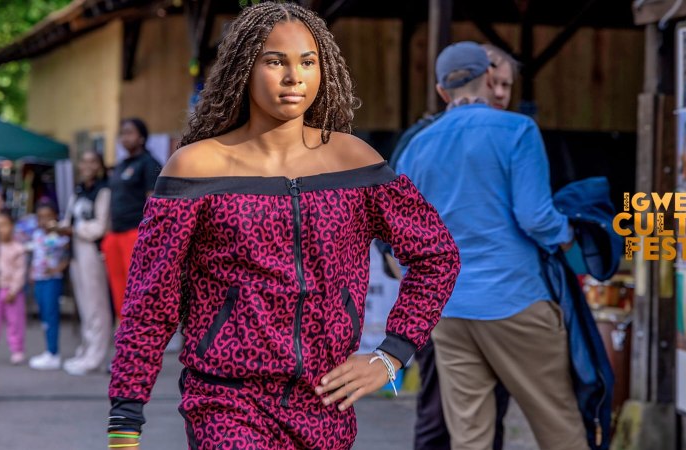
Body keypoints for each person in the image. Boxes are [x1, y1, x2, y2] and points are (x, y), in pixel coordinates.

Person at [107, 3, 460, 449]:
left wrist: (391, 355)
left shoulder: (354, 161)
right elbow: (150, 299)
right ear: (243, 69)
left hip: (327, 402)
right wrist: (124, 421)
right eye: (275, 61)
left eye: (307, 62)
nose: (295, 76)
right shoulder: (198, 167)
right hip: (226, 401)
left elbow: (436, 256)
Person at [396, 42, 587, 450]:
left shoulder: (416, 147)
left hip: (447, 310)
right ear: (487, 75)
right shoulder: (517, 130)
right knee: (559, 425)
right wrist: (568, 235)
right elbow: (535, 216)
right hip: (514, 300)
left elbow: (403, 242)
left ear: (443, 91)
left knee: (470, 436)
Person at [405, 44, 518, 450]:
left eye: (507, 84)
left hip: (499, 302)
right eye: (495, 82)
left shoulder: (515, 138)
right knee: (437, 417)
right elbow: (395, 220)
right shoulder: (423, 141)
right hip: (443, 304)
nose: (501, 92)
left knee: (492, 415)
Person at [58, 150, 113, 375]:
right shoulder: (79, 190)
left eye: (93, 161)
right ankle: (86, 348)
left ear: (99, 165)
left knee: (96, 303)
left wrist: (75, 229)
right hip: (75, 250)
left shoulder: (103, 190)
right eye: (84, 161)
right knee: (83, 302)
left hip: (92, 250)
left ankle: (96, 354)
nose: (87, 165)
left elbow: (101, 226)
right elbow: (69, 218)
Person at [103, 118, 161, 320]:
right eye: (122, 133)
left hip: (135, 234)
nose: (124, 137)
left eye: (129, 132)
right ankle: (124, 331)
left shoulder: (149, 163)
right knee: (118, 287)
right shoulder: (120, 166)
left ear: (142, 137)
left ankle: (141, 332)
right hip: (115, 234)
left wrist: (148, 237)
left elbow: (154, 203)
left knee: (137, 287)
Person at [27, 199, 70, 371]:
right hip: (38, 279)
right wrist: (31, 272)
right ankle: (48, 351)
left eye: (48, 217)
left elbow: (68, 254)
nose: (44, 221)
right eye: (40, 217)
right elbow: (35, 255)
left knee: (51, 316)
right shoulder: (37, 234)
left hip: (52, 280)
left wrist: (58, 268)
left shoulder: (60, 236)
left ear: (55, 218)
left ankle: (53, 353)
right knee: (44, 316)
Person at [0, 210, 27, 365]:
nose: (1, 229)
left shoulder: (18, 248)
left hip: (12, 292)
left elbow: (20, 271)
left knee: (15, 322)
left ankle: (17, 350)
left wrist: (14, 289)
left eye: (4, 225)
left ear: (12, 226)